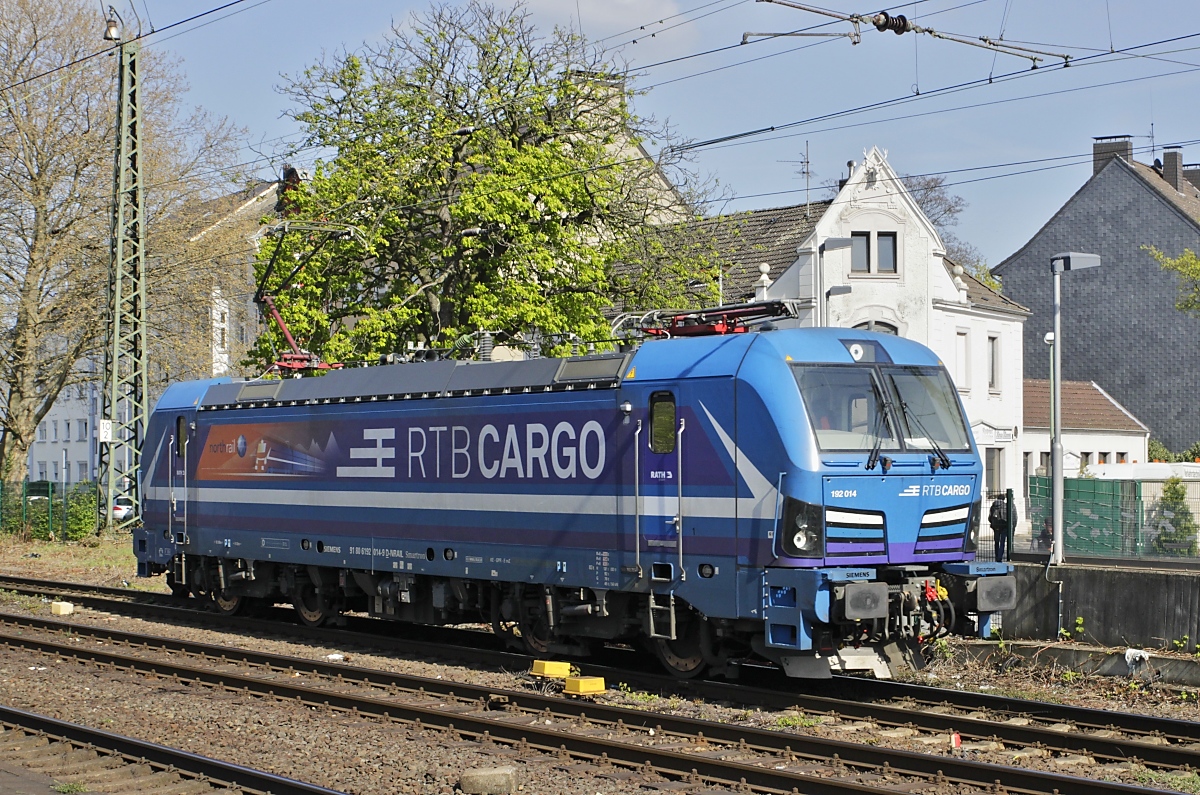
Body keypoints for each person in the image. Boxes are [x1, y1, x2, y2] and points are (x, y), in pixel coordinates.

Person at [988, 495, 1009, 561]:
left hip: (995, 526)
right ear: (1004, 499)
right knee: (1002, 542)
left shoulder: (993, 506)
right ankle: (1000, 557)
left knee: (996, 542)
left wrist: (993, 523)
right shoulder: (1005, 506)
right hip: (1003, 526)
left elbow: (990, 517)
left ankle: (996, 556)